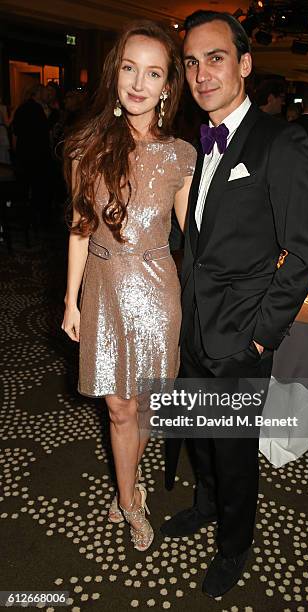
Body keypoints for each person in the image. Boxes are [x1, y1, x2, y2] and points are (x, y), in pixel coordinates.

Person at [160, 10, 308, 598]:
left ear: (245, 65)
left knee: (233, 452)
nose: (202, 73)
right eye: (192, 62)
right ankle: (205, 506)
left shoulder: (282, 141)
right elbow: (193, 239)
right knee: (200, 438)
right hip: (192, 325)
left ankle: (235, 544)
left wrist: (261, 336)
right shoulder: (194, 144)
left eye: (216, 58)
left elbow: (305, 252)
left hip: (241, 337)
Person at [61, 21, 196, 552]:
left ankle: (126, 481)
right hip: (102, 283)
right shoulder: (85, 146)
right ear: (115, 72)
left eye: (154, 72)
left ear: (167, 87)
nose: (139, 83)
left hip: (157, 289)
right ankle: (130, 500)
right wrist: (70, 299)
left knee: (142, 403)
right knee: (118, 407)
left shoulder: (182, 156)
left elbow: (198, 239)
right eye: (129, 68)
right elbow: (78, 228)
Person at [11, 84, 51, 226]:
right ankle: (38, 219)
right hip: (37, 154)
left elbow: (15, 132)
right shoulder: (37, 109)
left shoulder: (21, 108)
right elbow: (44, 132)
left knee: (25, 185)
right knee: (38, 187)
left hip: (24, 152)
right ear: (37, 93)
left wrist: (16, 152)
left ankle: (24, 219)